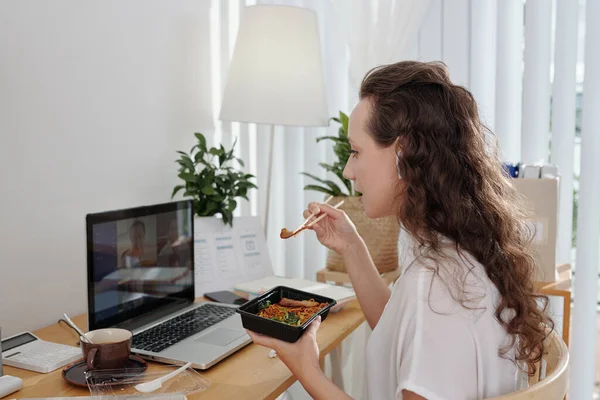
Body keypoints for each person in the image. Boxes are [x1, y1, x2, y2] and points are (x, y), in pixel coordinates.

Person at [246, 61, 553, 400]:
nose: (349, 170)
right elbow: (405, 334)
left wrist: (307, 370)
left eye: (356, 151)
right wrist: (351, 247)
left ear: (402, 153)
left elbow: (425, 318)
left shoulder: (436, 288)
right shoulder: (458, 251)